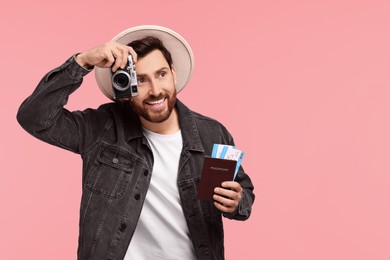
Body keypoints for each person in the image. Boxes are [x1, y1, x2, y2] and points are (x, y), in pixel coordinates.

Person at [17, 25, 255, 260]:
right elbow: (34, 118)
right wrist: (82, 62)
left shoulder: (212, 134)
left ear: (173, 72)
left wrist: (237, 201)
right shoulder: (102, 128)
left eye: (161, 74)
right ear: (124, 86)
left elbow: (243, 195)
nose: (155, 91)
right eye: (140, 80)